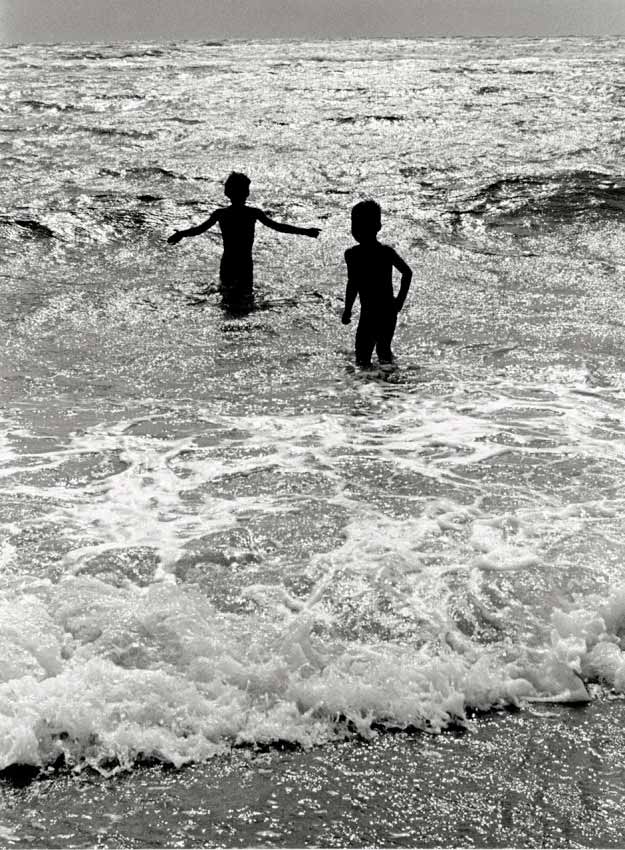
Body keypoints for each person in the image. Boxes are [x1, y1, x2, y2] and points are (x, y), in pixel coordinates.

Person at [167, 172, 321, 315]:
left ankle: (227, 321)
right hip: (244, 263)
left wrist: (181, 234)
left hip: (228, 262)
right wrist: (305, 231)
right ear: (246, 193)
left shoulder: (221, 214)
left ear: (227, 192)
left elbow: (198, 230)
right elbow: (278, 227)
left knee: (226, 296)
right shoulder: (252, 213)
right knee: (245, 298)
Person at [342, 200, 412, 368]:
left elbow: (353, 284)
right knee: (379, 352)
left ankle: (377, 385)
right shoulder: (355, 254)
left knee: (365, 355)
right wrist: (347, 309)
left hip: (378, 311)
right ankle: (387, 385)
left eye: (362, 226)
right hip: (383, 311)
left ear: (378, 227)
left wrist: (399, 302)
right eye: (355, 225)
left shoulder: (361, 254)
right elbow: (353, 284)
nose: (358, 230)